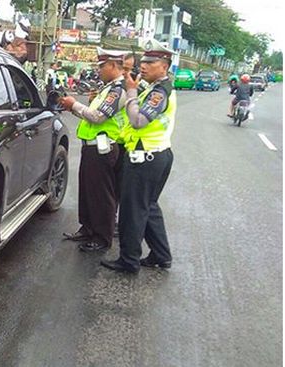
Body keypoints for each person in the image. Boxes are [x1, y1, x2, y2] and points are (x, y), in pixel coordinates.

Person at [101, 39, 177, 273]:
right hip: (156, 155)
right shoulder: (155, 88)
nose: (143, 66)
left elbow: (138, 120)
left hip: (146, 158)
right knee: (148, 206)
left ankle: (129, 260)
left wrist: (132, 92)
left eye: (151, 62)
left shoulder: (160, 93)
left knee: (133, 209)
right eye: (143, 61)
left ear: (164, 66)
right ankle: (161, 255)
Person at [60, 48, 129, 252]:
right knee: (88, 191)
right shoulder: (107, 88)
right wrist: (73, 108)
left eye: (102, 66)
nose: (98, 70)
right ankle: (88, 227)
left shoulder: (118, 90)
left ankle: (102, 237)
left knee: (102, 194)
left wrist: (75, 104)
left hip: (103, 149)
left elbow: (98, 117)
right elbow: (91, 116)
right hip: (91, 147)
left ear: (114, 66)